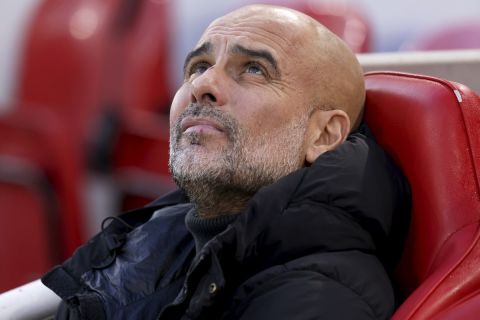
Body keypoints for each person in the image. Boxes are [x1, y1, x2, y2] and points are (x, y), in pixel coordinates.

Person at [42, 4, 410, 319]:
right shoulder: (149, 240)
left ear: (323, 136)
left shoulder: (321, 299)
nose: (203, 85)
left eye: (253, 69)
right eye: (198, 66)